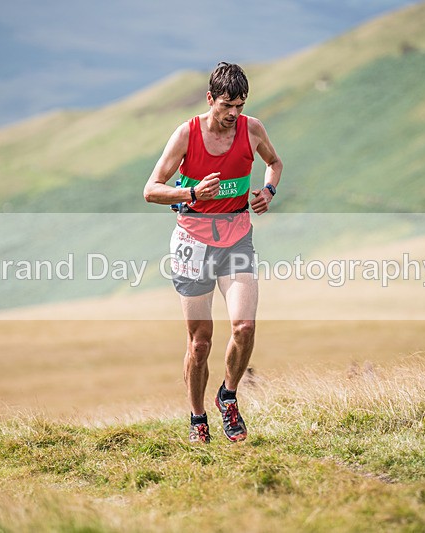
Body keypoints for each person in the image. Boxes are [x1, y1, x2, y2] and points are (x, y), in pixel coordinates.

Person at [143, 62, 283, 443]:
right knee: (200, 342)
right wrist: (191, 193)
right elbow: (151, 189)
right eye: (226, 105)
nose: (233, 114)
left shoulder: (252, 129)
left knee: (244, 327)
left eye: (240, 105)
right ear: (210, 99)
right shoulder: (186, 134)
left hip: (237, 239)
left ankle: (228, 396)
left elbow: (274, 163)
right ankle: (197, 417)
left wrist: (268, 191)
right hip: (193, 244)